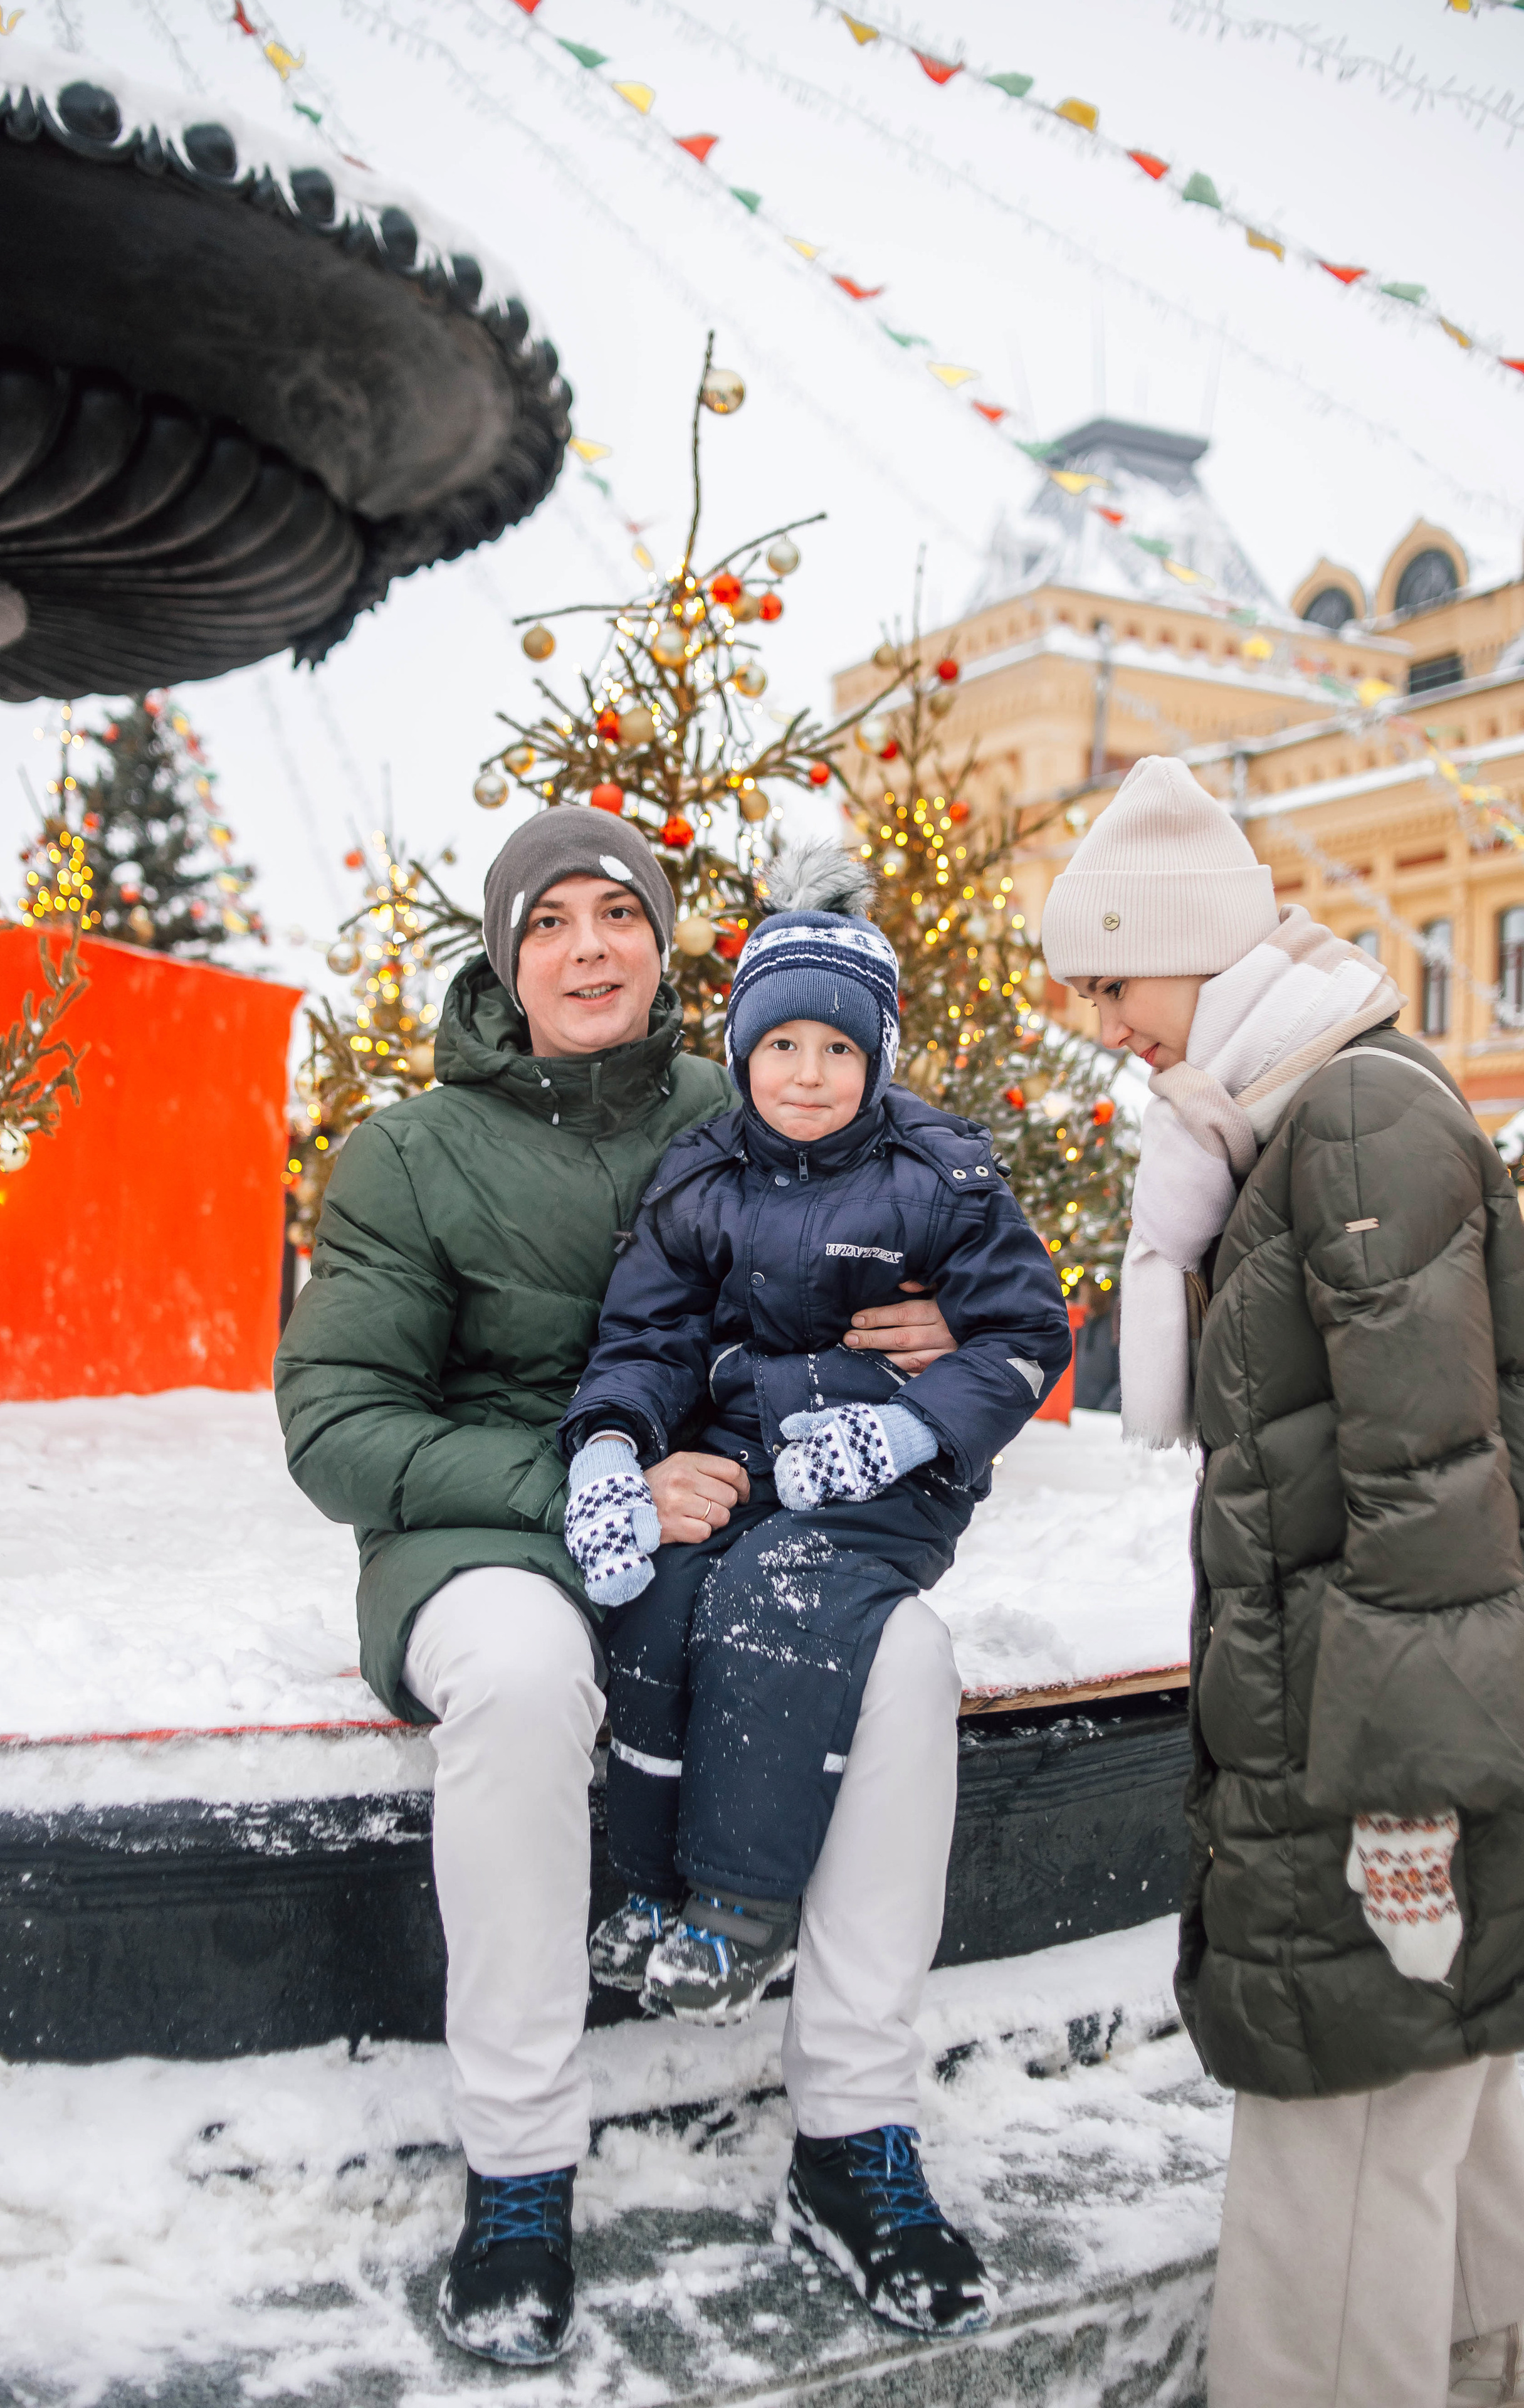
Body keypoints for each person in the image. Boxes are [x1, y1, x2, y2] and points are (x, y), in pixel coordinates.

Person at [273, 806, 979, 2370]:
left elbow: (918, 1244)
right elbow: (336, 1428)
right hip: (484, 1528)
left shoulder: (766, 1102)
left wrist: (928, 1326)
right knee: (524, 1675)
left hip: (718, 1508)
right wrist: (576, 1490)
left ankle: (852, 2135)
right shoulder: (408, 1153)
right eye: (548, 923)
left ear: (663, 947)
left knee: (904, 1653)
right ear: (503, 957)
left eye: (617, 915)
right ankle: (519, 2167)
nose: (586, 946)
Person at [1041, 754, 1524, 2408]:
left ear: (1193, 943)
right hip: (1346, 1733)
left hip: (1368, 1766)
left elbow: (1433, 1482)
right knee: (1431, 2153)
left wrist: (1407, 1801)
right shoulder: (1300, 1112)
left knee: (1343, 2182)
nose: (1105, 1022)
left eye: (1113, 978)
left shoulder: (1357, 1120)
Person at [555, 843, 1070, 2067]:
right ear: (740, 1053)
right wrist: (611, 1453)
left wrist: (906, 1429)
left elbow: (1023, 1334)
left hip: (891, 1482)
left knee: (769, 1598)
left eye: (838, 1049)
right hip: (743, 1459)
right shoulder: (702, 1176)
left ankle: (740, 1903)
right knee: (663, 1593)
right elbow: (646, 1340)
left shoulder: (939, 1174)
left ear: (878, 1058)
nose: (807, 1072)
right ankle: (644, 1887)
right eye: (781, 1045)